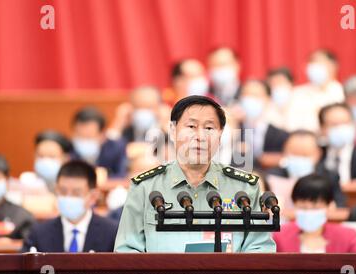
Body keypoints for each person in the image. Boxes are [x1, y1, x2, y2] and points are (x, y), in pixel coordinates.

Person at [114, 95, 276, 253]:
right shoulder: (145, 187)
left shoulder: (244, 188)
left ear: (220, 135)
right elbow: (127, 251)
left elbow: (260, 249)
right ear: (172, 130)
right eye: (191, 127)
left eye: (209, 128)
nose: (200, 137)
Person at [22, 160, 118, 252]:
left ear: (93, 196)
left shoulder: (112, 233)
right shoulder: (38, 233)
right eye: (63, 191)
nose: (68, 197)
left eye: (76, 193)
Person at [273, 174, 356, 253]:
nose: (308, 212)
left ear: (329, 206)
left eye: (315, 207)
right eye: (303, 207)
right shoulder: (279, 235)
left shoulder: (347, 236)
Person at [267, 130, 346, 207]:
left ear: (318, 154)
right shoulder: (272, 177)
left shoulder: (330, 177)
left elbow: (339, 206)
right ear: (284, 152)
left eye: (305, 155)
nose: (299, 159)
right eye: (295, 154)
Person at [233, 79, 289, 170]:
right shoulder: (232, 130)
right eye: (246, 95)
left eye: (256, 95)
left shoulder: (280, 135)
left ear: (268, 99)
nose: (250, 99)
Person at [286, 49, 344, 132]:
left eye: (318, 62)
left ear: (333, 66)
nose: (313, 66)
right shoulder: (297, 94)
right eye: (311, 62)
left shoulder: (341, 92)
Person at [318, 103, 356, 184]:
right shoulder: (317, 155)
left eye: (345, 123)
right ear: (322, 128)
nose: (341, 129)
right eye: (334, 125)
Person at [71, 106, 127, 178]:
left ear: (102, 134)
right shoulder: (69, 149)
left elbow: (121, 175)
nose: (84, 140)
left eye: (89, 136)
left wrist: (104, 176)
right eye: (79, 135)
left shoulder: (116, 148)